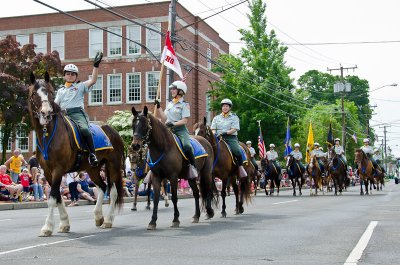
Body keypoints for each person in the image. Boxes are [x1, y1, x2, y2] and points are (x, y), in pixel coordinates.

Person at [54, 51, 103, 167]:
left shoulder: (80, 86)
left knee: (85, 130)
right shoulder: (60, 90)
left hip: (77, 114)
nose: (70, 76)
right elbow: (56, 104)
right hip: (63, 115)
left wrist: (95, 66)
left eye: (73, 74)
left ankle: (92, 154)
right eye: (68, 74)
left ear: (76, 76)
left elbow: (93, 80)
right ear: (64, 75)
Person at [156, 80, 198, 179]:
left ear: (180, 91)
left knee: (187, 146)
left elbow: (185, 121)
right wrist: (158, 107)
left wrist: (173, 123)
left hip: (180, 130)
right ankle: (153, 168)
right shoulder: (170, 103)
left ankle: (193, 165)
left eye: (174, 89)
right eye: (172, 89)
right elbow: (165, 118)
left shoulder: (184, 104)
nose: (172, 91)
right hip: (168, 130)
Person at [210, 98, 247, 178]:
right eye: (223, 106)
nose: (225, 107)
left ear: (230, 108)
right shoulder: (216, 118)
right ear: (221, 107)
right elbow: (212, 129)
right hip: (218, 137)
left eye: (227, 106)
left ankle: (240, 167)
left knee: (237, 151)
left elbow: (234, 128)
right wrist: (214, 134)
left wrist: (226, 132)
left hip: (230, 138)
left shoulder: (234, 117)